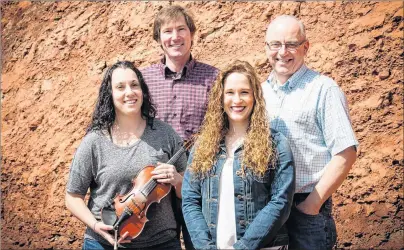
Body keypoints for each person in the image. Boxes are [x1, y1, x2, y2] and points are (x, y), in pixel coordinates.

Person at [65, 61, 187, 250]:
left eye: (134, 85)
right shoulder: (94, 141)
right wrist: (96, 226)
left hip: (161, 244)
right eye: (120, 87)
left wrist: (177, 180)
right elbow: (72, 197)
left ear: (143, 91)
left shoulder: (166, 134)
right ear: (110, 94)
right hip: (102, 244)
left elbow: (189, 190)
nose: (129, 92)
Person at [262, 15, 359, 250]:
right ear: (266, 47)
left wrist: (312, 205)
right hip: (266, 210)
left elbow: (346, 151)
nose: (282, 52)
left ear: (306, 47)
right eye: (275, 44)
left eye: (291, 44)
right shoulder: (260, 92)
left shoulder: (324, 90)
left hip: (305, 210)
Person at [182, 60, 295, 250]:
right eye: (230, 93)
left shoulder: (275, 144)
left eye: (244, 92)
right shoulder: (203, 146)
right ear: (220, 97)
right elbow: (190, 199)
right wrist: (205, 247)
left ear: (255, 97)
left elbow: (281, 201)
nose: (237, 100)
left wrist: (243, 247)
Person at [141, 5, 219, 249]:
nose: (175, 37)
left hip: (200, 183)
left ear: (192, 35)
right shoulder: (143, 79)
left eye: (181, 29)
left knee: (202, 243)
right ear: (159, 39)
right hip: (154, 184)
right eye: (167, 31)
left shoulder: (214, 77)